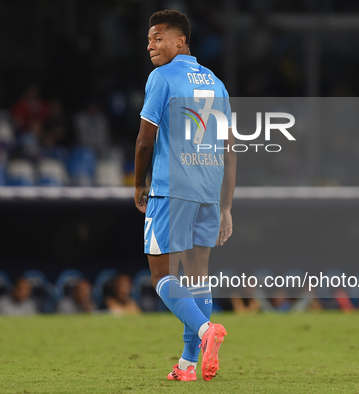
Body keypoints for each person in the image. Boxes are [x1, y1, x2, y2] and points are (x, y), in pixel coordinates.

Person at [134, 10, 236, 382]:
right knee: (197, 276)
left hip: (173, 187)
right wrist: (225, 206)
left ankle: (208, 331)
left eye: (158, 38)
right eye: (148, 40)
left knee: (162, 275)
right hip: (209, 190)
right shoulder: (216, 83)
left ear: (181, 42)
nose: (150, 46)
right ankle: (188, 366)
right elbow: (229, 149)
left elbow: (146, 139)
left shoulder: (162, 78)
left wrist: (137, 184)